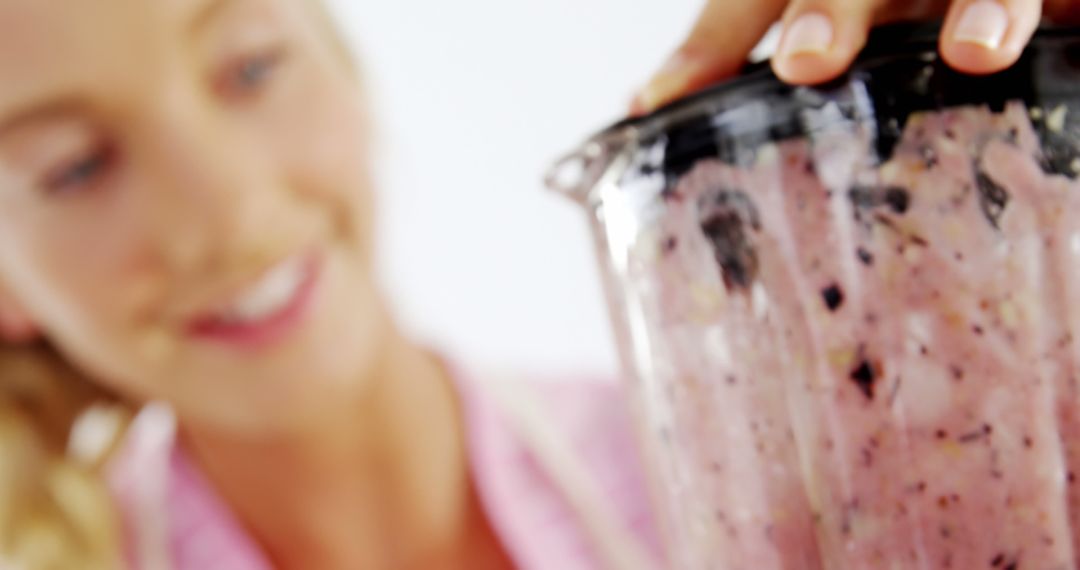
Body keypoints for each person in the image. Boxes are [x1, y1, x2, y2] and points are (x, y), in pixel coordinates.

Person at [0, 0, 1071, 569]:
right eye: (74, 167)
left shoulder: (793, 484)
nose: (225, 208)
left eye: (249, 66)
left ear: (348, 76)